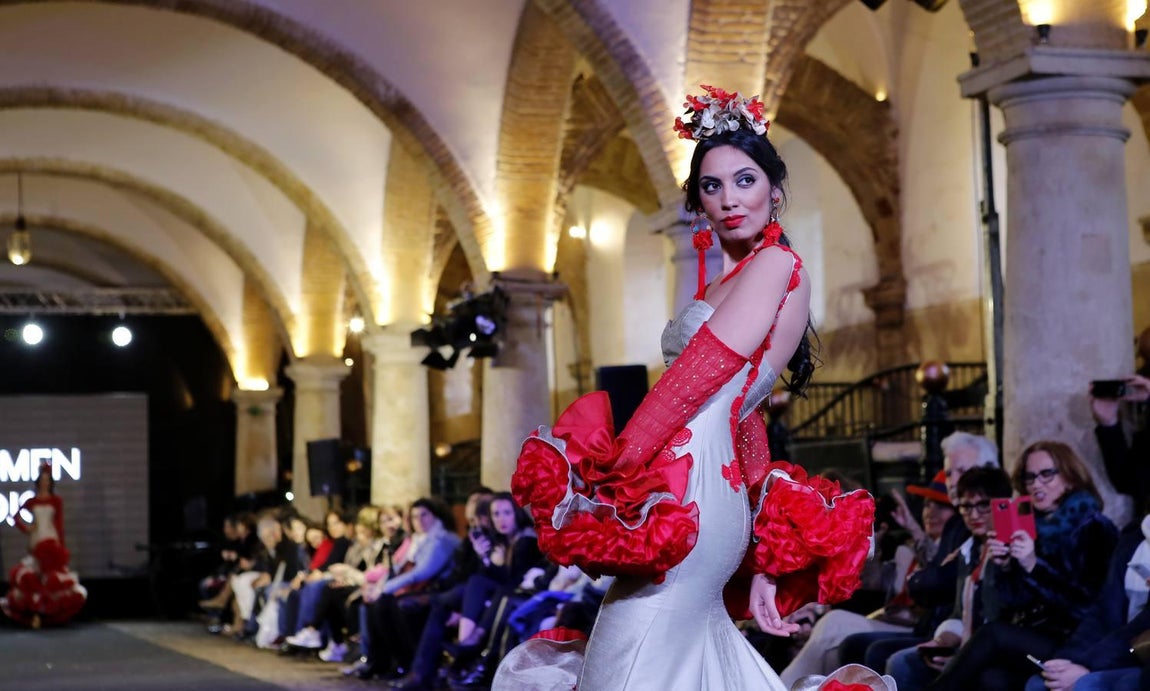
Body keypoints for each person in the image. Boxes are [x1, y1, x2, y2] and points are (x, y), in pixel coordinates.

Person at [504, 85, 875, 690]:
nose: (729, 199)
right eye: (712, 186)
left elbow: (693, 383)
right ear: (697, 201)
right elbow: (745, 420)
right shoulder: (727, 282)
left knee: (622, 667)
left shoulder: (778, 265)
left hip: (692, 490)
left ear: (775, 191)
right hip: (693, 486)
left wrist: (614, 468)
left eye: (745, 180)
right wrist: (761, 553)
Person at [930, 441, 1118, 690]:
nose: (1037, 484)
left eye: (1046, 474)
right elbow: (1015, 602)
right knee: (992, 679)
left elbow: (1087, 605)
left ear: (1070, 477)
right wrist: (1006, 566)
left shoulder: (1093, 528)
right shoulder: (1029, 527)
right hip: (1036, 634)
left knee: (992, 634)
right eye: (1029, 477)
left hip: (1079, 639)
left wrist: (1032, 565)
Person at [780, 472, 956, 685]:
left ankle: (780, 686)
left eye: (941, 506)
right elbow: (873, 583)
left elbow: (935, 578)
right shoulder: (906, 550)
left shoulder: (954, 550)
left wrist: (913, 528)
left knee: (833, 624)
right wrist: (871, 541)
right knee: (828, 636)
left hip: (922, 626)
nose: (932, 513)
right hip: (886, 618)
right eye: (928, 505)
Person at [2, 462, 86, 627]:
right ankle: (35, 614)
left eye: (48, 480)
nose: (45, 483)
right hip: (37, 539)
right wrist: (27, 529)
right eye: (43, 480)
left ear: (51, 482)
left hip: (51, 539)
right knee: (36, 576)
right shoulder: (32, 500)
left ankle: (50, 615)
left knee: (52, 576)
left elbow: (60, 525)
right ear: (38, 482)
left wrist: (61, 546)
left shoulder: (56, 500)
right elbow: (15, 516)